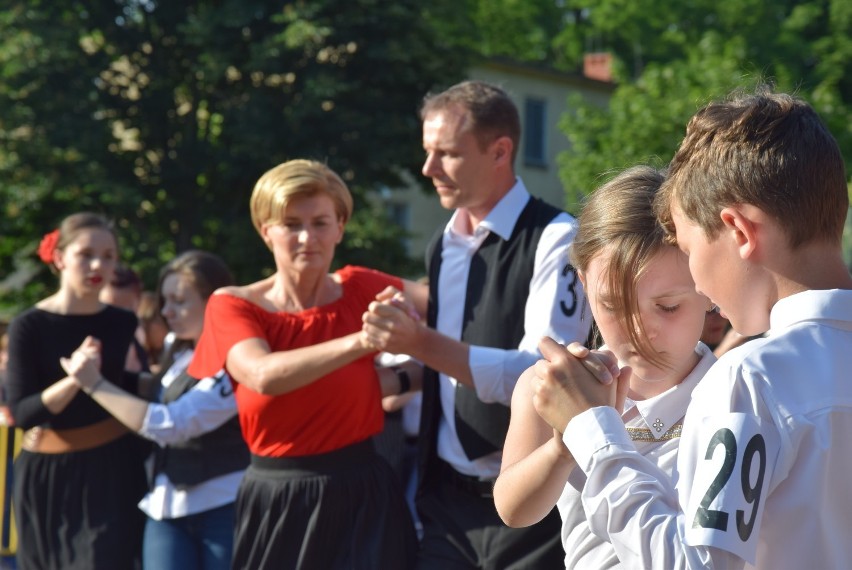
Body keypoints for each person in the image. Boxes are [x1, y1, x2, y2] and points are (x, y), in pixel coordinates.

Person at [530, 89, 852, 568]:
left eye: (688, 245)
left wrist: (592, 435)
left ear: (739, 233)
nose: (697, 278)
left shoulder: (752, 377)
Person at [361, 80, 590, 569]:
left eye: (447, 153)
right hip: (445, 502)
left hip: (530, 506)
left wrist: (419, 341)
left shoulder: (557, 237)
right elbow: (448, 365)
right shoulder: (443, 244)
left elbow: (543, 376)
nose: (428, 169)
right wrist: (398, 369)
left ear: (500, 151)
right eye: (427, 152)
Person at [185, 159, 422, 569]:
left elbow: (454, 305)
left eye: (320, 222)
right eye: (291, 223)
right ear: (266, 230)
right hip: (279, 499)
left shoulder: (362, 288)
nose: (306, 237)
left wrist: (406, 374)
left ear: (340, 227)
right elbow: (263, 374)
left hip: (365, 494)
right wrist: (364, 343)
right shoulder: (233, 304)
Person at [493, 166, 717, 567]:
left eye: (667, 307)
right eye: (613, 304)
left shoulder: (738, 389)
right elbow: (513, 510)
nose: (638, 329)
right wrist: (566, 443)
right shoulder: (554, 386)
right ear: (583, 284)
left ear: (708, 285)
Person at [60, 250, 245, 570]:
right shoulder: (179, 347)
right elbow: (162, 391)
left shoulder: (237, 357)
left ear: (214, 301)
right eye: (164, 301)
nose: (167, 311)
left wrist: (95, 384)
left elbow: (171, 422)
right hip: (166, 507)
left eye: (179, 301)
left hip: (222, 506)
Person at [5, 212, 147, 569]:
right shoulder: (28, 326)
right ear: (60, 258)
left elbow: (123, 387)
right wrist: (77, 380)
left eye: (109, 255)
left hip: (113, 469)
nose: (99, 264)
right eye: (86, 254)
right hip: (48, 477)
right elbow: (24, 413)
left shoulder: (123, 321)